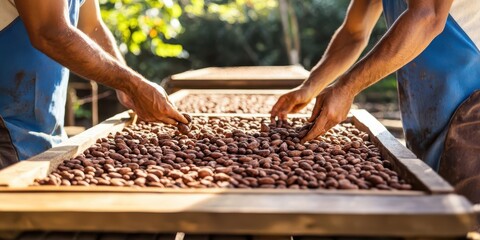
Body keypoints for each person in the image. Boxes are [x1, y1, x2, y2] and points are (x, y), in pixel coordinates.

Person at [271, 0, 480, 204]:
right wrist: (310, 87)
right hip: (428, 108)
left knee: (465, 216)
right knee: (435, 207)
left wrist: (346, 88)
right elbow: (354, 34)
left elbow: (428, 17)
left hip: (472, 103)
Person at [0, 0, 188, 168]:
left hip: (42, 129)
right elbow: (50, 31)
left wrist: (126, 86)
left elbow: (91, 27)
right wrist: (133, 85)